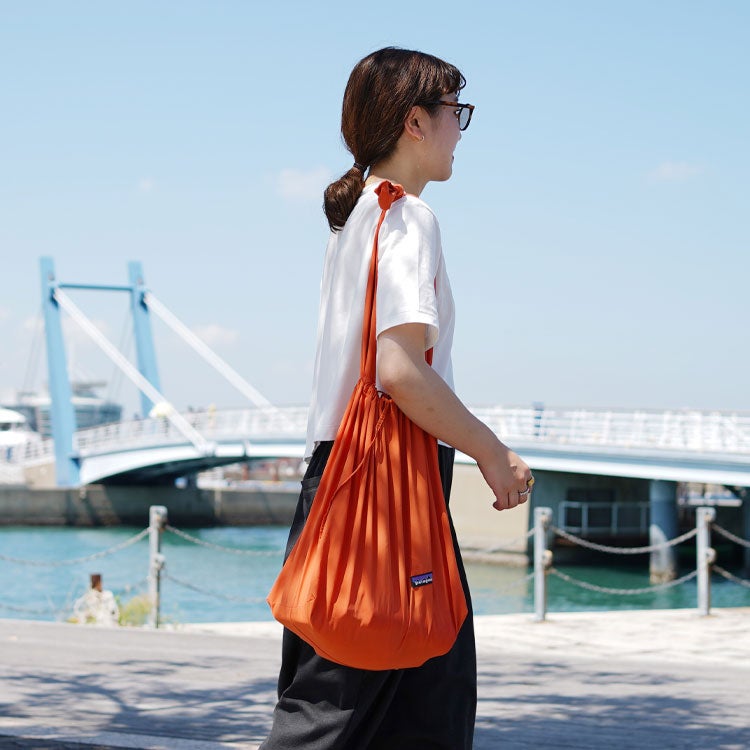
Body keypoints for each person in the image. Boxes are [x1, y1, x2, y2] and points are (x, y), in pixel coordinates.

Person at [261, 46, 532, 750]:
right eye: (454, 113)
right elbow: (400, 370)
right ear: (416, 121)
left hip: (345, 479)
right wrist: (492, 452)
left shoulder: (358, 218)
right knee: (347, 718)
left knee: (398, 712)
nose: (460, 130)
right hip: (385, 490)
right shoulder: (407, 217)